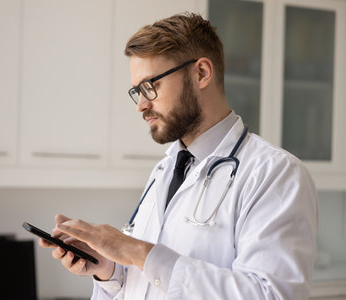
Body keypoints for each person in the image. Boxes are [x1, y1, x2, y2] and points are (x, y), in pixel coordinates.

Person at [40, 13, 318, 299]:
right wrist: (110, 271)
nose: (141, 105)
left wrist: (137, 251)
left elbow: (271, 294)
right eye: (137, 91)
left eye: (151, 86)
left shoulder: (274, 173)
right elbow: (152, 280)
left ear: (201, 73)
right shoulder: (165, 169)